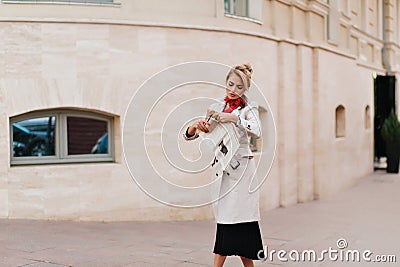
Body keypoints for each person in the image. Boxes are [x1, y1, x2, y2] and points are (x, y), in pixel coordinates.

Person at [183, 63, 264, 267]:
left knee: (242, 219)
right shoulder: (218, 105)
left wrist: (235, 118)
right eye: (230, 84)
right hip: (222, 169)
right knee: (226, 219)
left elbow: (257, 130)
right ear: (226, 83)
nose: (233, 90)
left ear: (245, 89)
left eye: (239, 87)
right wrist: (195, 127)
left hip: (242, 170)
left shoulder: (249, 108)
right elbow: (200, 134)